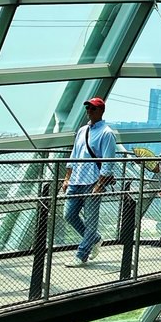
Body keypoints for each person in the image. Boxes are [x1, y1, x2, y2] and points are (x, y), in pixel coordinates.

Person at [62, 97, 119, 267]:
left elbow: (108, 161)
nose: (89, 110)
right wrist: (67, 178)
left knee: (91, 219)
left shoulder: (106, 133)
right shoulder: (82, 130)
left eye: (93, 108)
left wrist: (100, 185)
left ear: (101, 111)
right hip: (76, 180)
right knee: (69, 215)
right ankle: (94, 239)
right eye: (88, 108)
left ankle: (82, 255)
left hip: (93, 181)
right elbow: (74, 154)